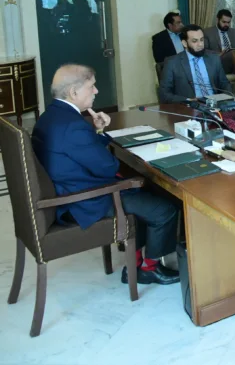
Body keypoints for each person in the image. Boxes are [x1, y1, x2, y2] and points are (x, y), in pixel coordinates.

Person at [33, 65, 180, 285]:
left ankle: (134, 262)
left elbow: (81, 151)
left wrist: (98, 131)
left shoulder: (50, 116)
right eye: (91, 86)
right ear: (73, 92)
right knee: (165, 209)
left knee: (145, 190)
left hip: (69, 188)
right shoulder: (73, 125)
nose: (96, 91)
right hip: (86, 200)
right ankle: (149, 268)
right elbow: (108, 167)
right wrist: (97, 137)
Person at [158, 25, 231, 103]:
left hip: (215, 104)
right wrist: (188, 101)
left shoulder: (214, 58)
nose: (200, 44)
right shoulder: (172, 62)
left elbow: (225, 84)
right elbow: (164, 94)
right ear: (185, 43)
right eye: (194, 41)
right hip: (188, 108)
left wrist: (225, 101)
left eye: (202, 40)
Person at [203, 9, 235, 74]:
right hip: (218, 59)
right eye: (224, 22)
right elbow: (203, 50)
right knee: (231, 54)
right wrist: (219, 53)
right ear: (217, 20)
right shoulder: (207, 32)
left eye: (228, 22)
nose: (226, 24)